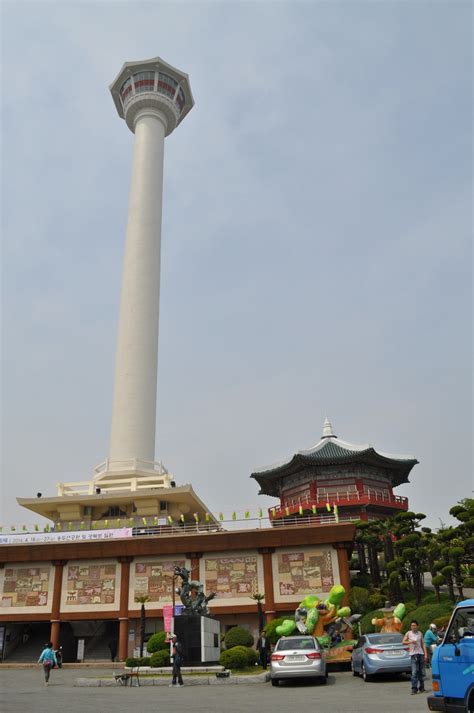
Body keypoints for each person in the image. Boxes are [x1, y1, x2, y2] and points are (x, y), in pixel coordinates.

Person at [403, 620, 428, 695]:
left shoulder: (420, 633)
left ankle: (422, 687)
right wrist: (410, 642)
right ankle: (414, 689)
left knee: (421, 672)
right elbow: (403, 642)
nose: (413, 627)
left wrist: (425, 654)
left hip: (420, 654)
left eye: (414, 625)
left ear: (417, 626)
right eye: (412, 625)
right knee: (414, 672)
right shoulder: (408, 633)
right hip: (413, 655)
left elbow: (423, 644)